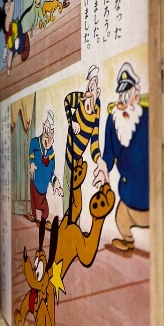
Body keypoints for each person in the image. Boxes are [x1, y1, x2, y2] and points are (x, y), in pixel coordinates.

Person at [94, 62, 149, 251]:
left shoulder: (146, 117)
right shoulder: (113, 120)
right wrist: (103, 167)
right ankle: (128, 240)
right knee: (121, 219)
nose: (124, 102)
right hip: (127, 193)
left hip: (148, 194)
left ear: (136, 95)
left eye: (128, 96)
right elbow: (108, 153)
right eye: (121, 96)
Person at [62, 66, 101, 218]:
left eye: (95, 82)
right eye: (91, 81)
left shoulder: (96, 111)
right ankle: (65, 223)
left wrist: (99, 160)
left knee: (76, 198)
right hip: (69, 153)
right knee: (67, 192)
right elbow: (66, 101)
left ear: (98, 91)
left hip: (78, 158)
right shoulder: (80, 98)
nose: (92, 85)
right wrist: (71, 122)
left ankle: (73, 225)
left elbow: (94, 140)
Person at [27, 110, 63, 229]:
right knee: (33, 201)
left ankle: (44, 219)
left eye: (51, 134)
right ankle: (33, 215)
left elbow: (51, 173)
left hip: (43, 185)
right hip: (35, 179)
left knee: (44, 205)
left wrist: (56, 183)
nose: (48, 137)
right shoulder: (35, 142)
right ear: (43, 129)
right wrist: (32, 163)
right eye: (47, 132)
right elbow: (31, 150)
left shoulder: (52, 154)